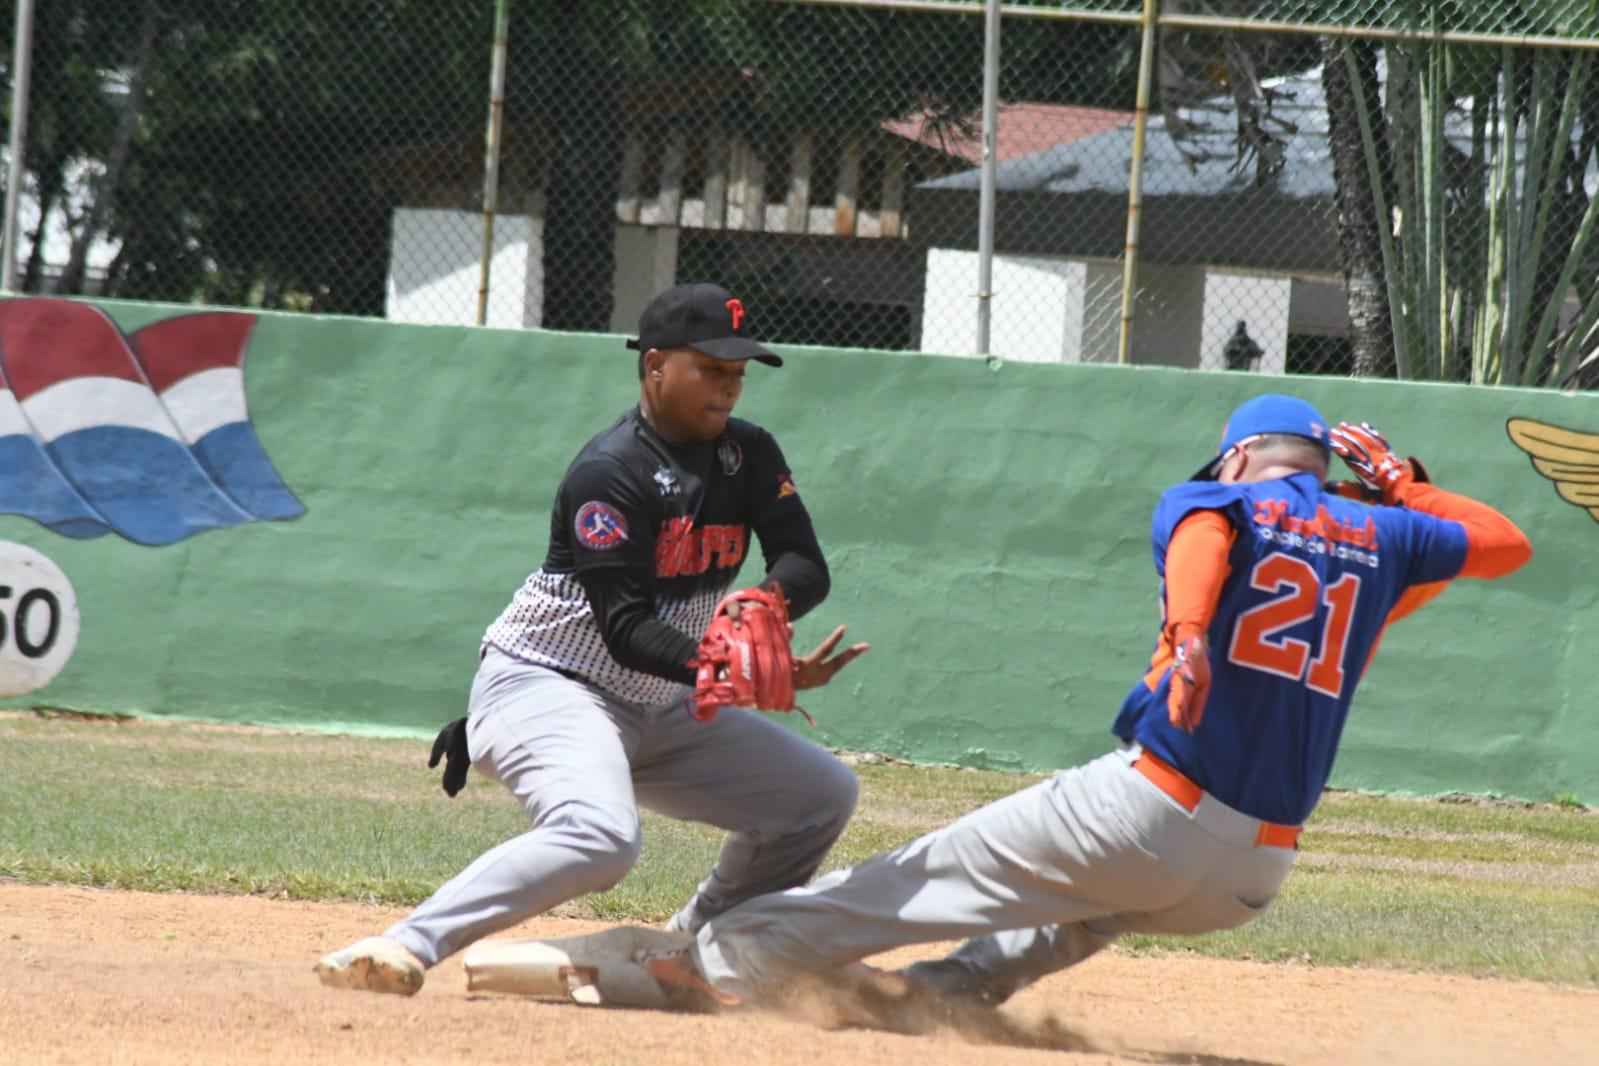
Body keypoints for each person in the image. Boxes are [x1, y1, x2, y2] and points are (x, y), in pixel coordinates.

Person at [534, 393, 1532, 1008]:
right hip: (1253, 876)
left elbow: (1205, 544)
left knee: (916, 877)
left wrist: (1188, 633)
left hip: (1157, 806)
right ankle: (942, 999)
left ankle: (716, 961)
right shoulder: (1382, 541)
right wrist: (1403, 486)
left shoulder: (1218, 499)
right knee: (1085, 909)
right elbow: (1504, 542)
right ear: (1326, 468)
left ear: (1237, 459)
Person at [315, 282, 869, 996]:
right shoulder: (612, 471)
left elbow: (803, 564)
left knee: (819, 794)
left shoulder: (749, 454)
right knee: (602, 837)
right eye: (711, 368)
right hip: (550, 685)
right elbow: (627, 627)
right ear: (656, 365)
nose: (730, 386)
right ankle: (401, 944)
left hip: (663, 700)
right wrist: (721, 661)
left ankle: (697, 945)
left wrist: (760, 607)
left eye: (737, 371)